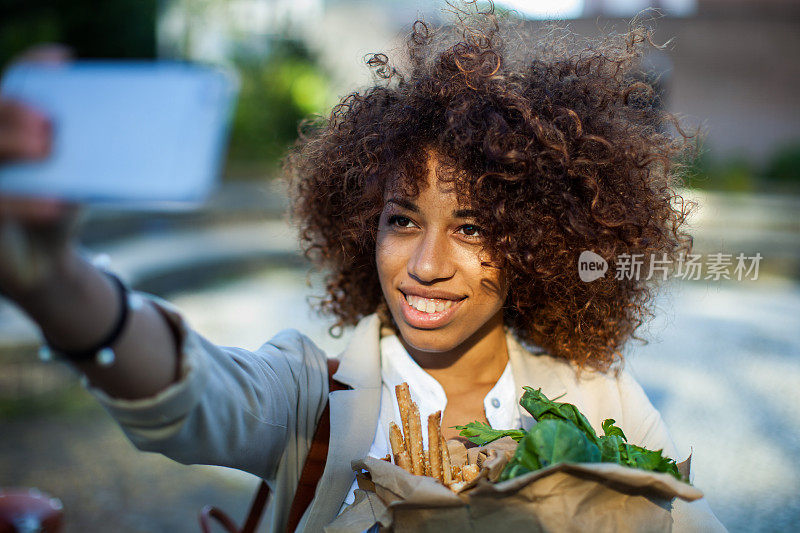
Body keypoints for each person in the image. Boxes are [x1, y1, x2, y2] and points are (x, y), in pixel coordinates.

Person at [0, 5, 726, 532]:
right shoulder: (313, 397)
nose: (427, 264)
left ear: (539, 242)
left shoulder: (601, 402)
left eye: (472, 227)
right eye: (402, 220)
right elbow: (190, 389)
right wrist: (52, 281)